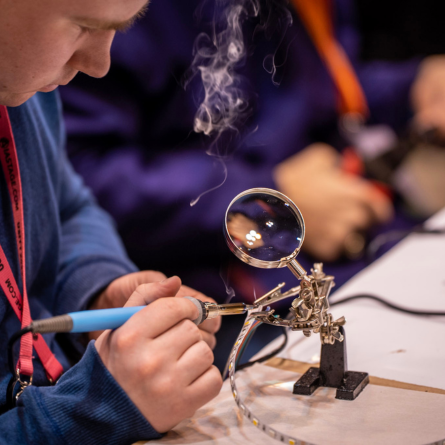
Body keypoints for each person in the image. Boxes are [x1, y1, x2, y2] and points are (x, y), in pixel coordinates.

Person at [60, 0, 423, 326]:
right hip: (215, 285)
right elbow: (80, 175)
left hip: (340, 243)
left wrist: (410, 88)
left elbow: (313, 86)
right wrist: (266, 199)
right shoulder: (122, 16)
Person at [0, 0, 222, 443]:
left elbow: (67, 207)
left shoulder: (23, 89)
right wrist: (92, 413)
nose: (99, 65)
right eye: (83, 27)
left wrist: (97, 288)